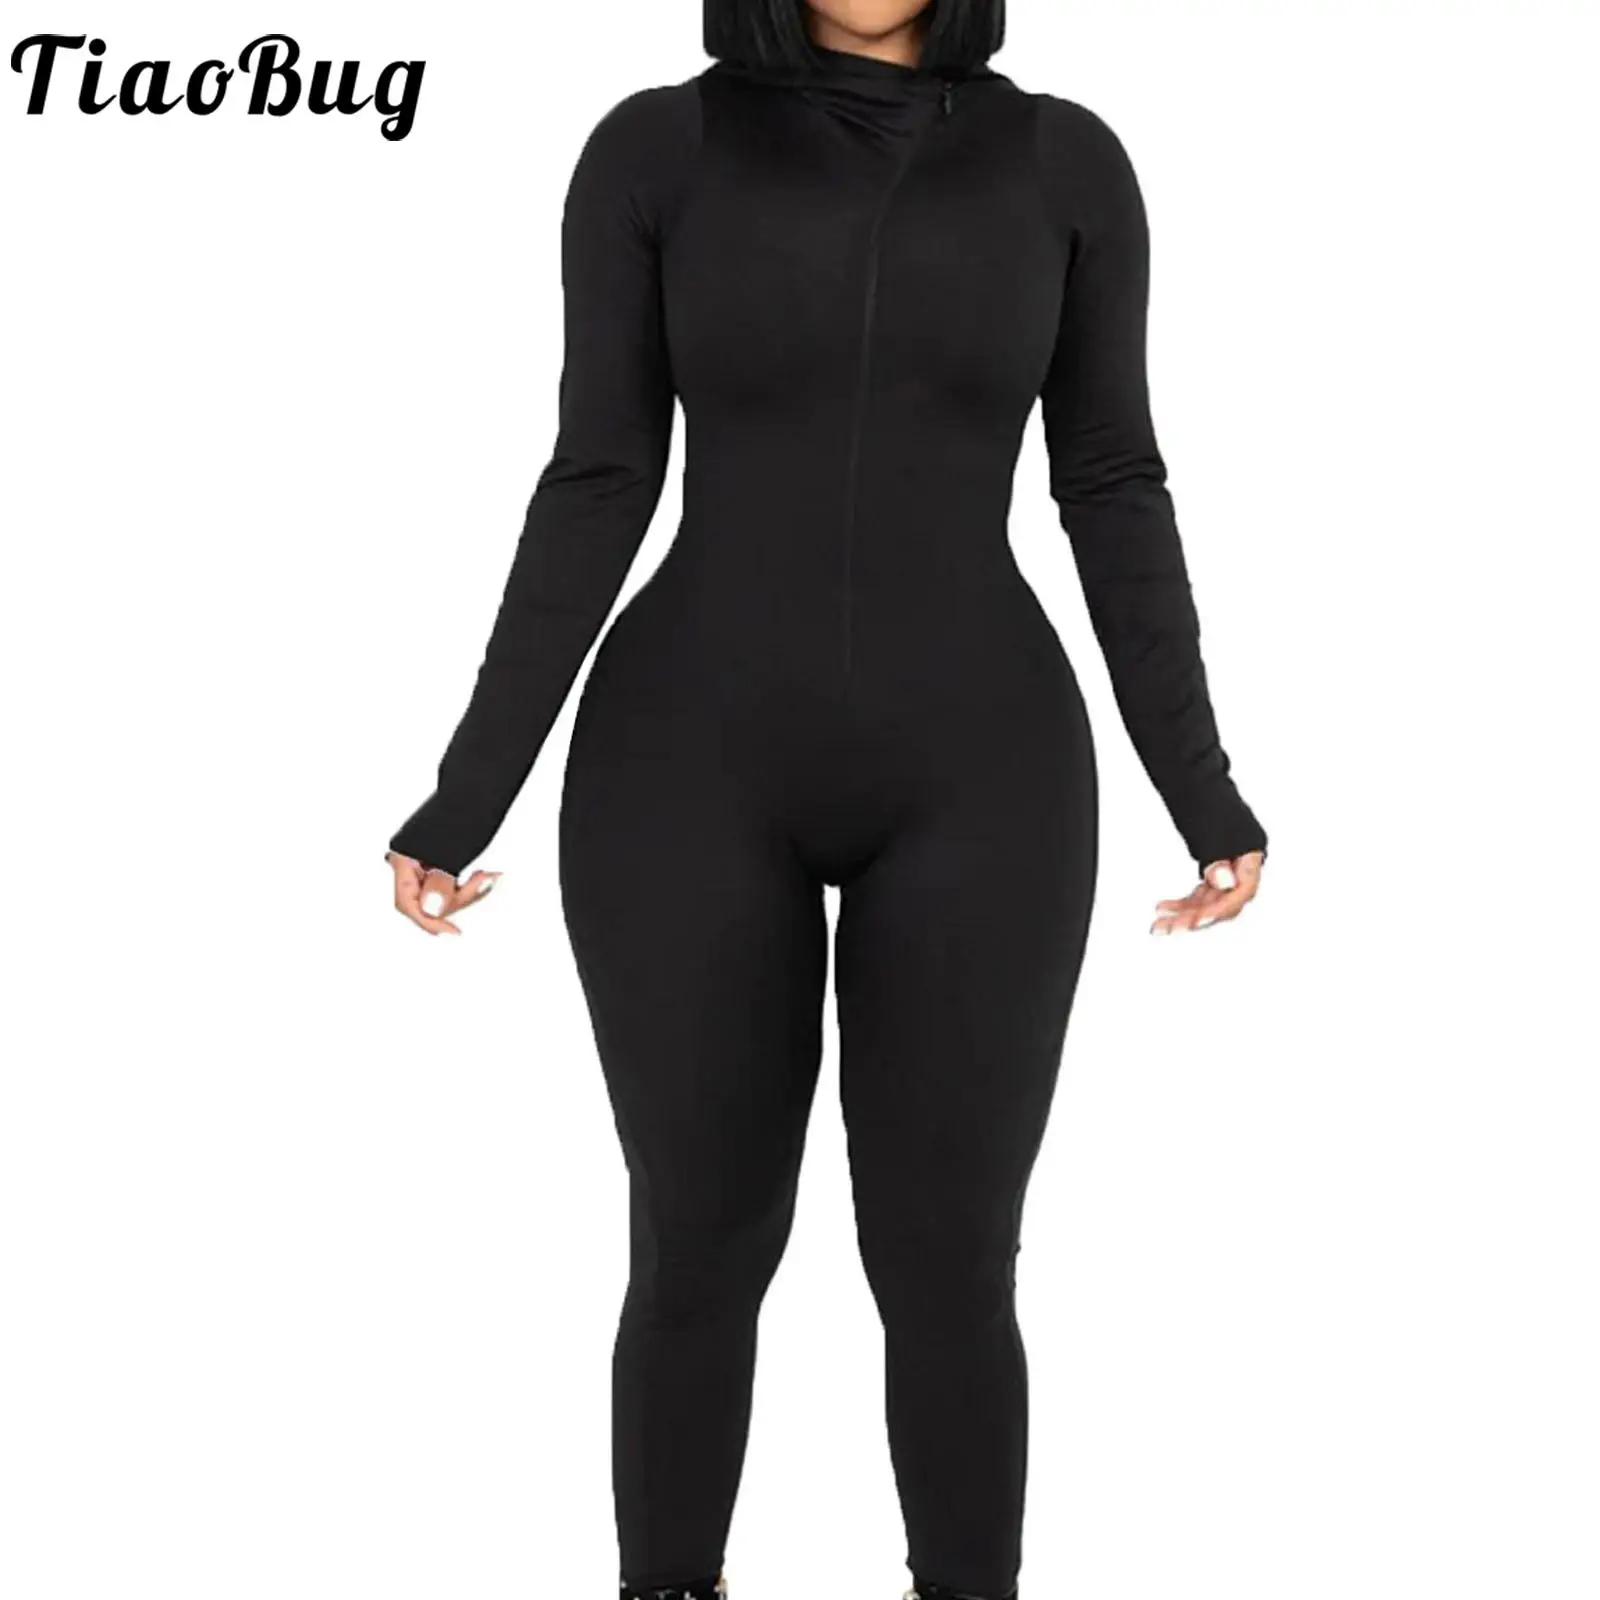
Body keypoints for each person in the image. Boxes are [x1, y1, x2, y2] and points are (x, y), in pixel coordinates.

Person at [385, 2, 1268, 1596]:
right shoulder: (655, 150)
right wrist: (466, 795)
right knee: (697, 1248)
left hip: (984, 771)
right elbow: (598, 474)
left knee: (949, 1266)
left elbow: (1111, 478)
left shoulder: (1068, 167)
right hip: (685, 763)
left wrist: (1201, 787)